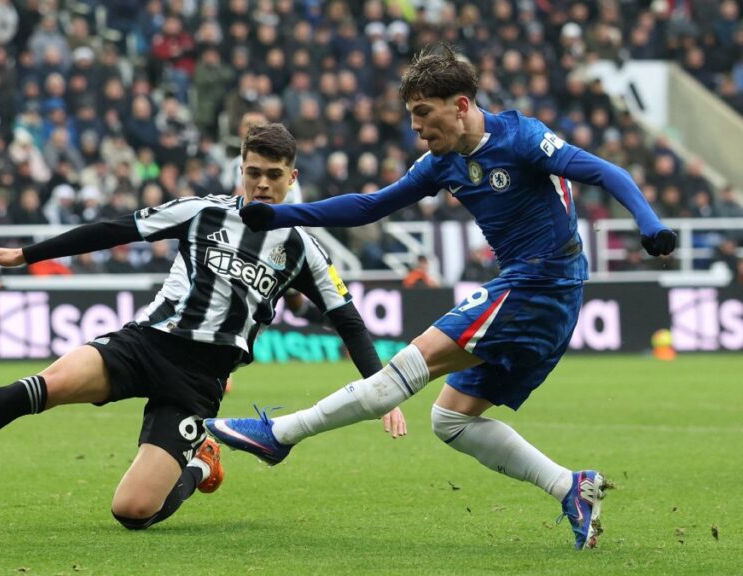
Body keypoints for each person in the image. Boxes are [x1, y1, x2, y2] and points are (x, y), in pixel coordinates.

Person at [0, 123, 404, 531]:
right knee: (40, 388)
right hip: (143, 345)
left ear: (292, 177)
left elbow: (350, 322)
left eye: (274, 175)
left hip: (198, 382)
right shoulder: (202, 211)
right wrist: (26, 255)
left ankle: (202, 460)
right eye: (254, 173)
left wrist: (382, 391)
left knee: (132, 512)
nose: (263, 185)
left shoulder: (303, 250)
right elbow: (112, 229)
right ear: (240, 170)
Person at [205, 46, 678, 550]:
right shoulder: (442, 162)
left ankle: (280, 435)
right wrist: (280, 215)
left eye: (423, 113)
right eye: (411, 116)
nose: (416, 128)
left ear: (460, 105)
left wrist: (649, 224)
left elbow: (607, 172)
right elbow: (370, 206)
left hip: (541, 284)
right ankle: (570, 487)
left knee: (406, 368)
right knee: (450, 420)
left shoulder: (523, 137)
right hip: (536, 295)